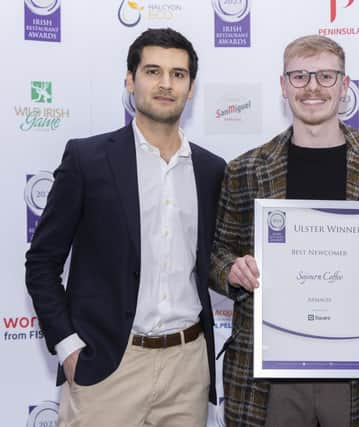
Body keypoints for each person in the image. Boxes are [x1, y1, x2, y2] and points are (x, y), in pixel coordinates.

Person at [210, 34, 359, 426]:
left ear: (345, 86)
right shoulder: (244, 170)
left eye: (326, 76)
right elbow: (216, 254)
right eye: (299, 76)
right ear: (282, 85)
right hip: (268, 378)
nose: (312, 87)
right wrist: (231, 270)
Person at [25, 28, 226, 426]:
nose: (166, 83)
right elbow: (42, 262)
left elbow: (214, 262)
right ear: (130, 80)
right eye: (153, 71)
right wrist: (68, 347)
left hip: (188, 368)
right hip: (108, 365)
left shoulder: (211, 170)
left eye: (178, 74)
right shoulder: (88, 159)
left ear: (191, 87)